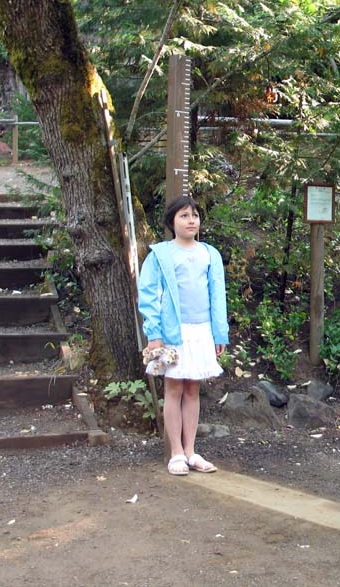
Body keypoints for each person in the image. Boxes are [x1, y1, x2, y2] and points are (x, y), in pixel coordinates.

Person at [138, 195, 229, 476]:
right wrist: (154, 334)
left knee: (193, 389)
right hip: (172, 333)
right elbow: (148, 294)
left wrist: (219, 332)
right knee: (173, 389)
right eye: (184, 216)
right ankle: (175, 452)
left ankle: (191, 451)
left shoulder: (209, 253)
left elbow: (217, 294)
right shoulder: (161, 254)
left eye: (195, 216)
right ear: (171, 222)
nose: (191, 220)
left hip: (202, 331)